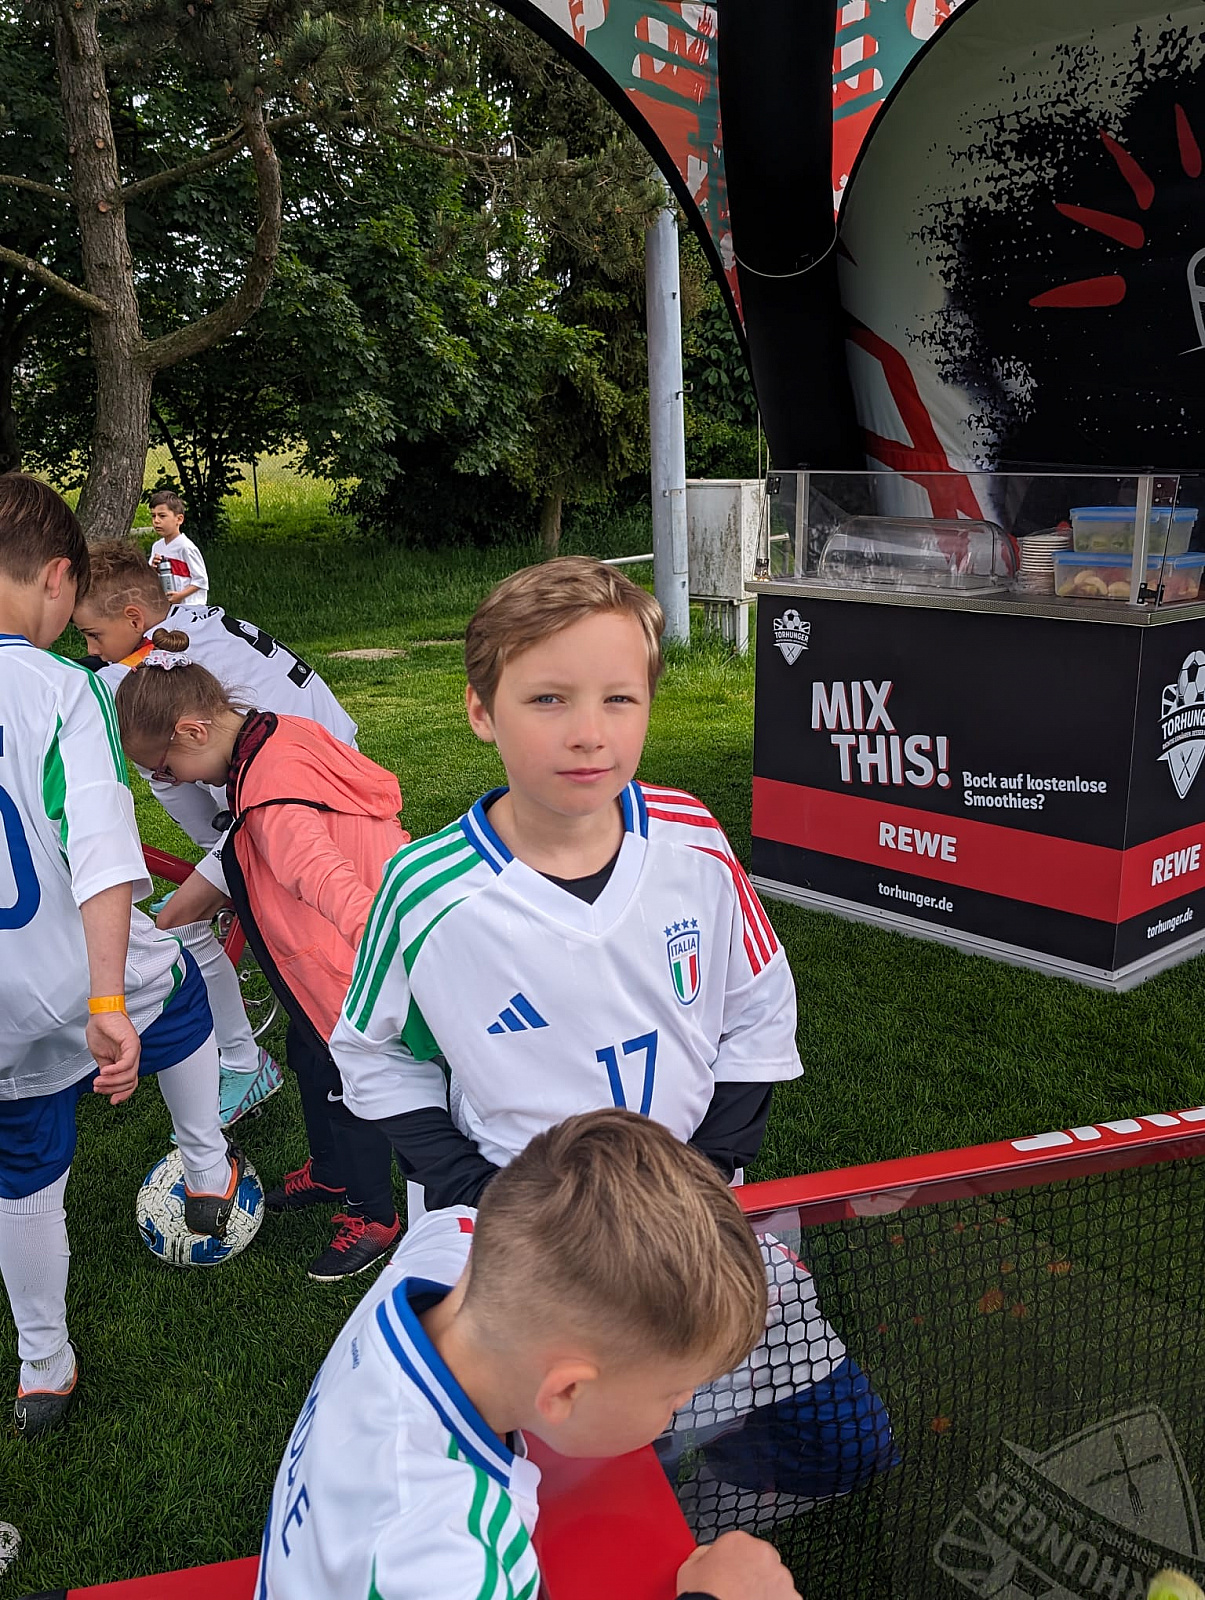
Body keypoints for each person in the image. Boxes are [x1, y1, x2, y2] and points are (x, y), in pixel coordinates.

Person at [330, 555, 895, 1527]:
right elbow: (372, 1052)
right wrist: (477, 1188)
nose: (588, 732)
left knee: (847, 1442)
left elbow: (758, 1005)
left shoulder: (691, 838)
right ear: (480, 711)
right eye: (547, 698)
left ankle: (703, 1518)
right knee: (563, 1494)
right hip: (521, 1247)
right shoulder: (429, 895)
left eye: (618, 698)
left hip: (689, 1214)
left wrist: (708, 1167)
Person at [257, 1108, 801, 1600]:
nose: (684, 1402)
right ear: (564, 1391)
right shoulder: (452, 1562)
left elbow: (459, 1226)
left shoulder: (446, 1246)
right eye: (675, 1392)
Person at [0, 475, 242, 1438]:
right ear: (59, 579)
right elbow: (102, 853)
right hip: (70, 966)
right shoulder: (59, 688)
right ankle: (207, 1171)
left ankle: (43, 1366)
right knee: (175, 992)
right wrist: (107, 1001)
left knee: (21, 1165)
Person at [115, 631, 410, 1280]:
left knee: (347, 1082)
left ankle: (373, 1214)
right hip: (319, 958)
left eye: (164, 769)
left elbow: (320, 875)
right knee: (307, 1057)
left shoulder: (268, 794)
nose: (169, 781)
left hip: (345, 963)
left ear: (193, 731)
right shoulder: (272, 733)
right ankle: (331, 1174)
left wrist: (386, 942)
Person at [72, 538, 357, 1128]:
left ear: (133, 618)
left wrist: (222, 857)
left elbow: (173, 782)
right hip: (331, 767)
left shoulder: (145, 676)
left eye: (93, 636)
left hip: (294, 802)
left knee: (179, 926)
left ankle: (245, 1062)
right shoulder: (191, 628)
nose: (91, 650)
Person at [147, 490, 208, 605]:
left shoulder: (186, 547)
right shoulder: (157, 547)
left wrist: (180, 596)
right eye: (153, 516)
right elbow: (150, 576)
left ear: (179, 519)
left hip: (189, 608)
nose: (156, 521)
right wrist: (153, 568)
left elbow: (201, 580)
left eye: (162, 516)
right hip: (167, 606)